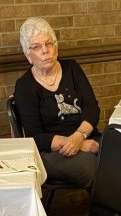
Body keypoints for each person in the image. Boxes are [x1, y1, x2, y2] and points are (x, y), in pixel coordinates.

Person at [14, 16, 100, 190]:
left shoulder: (72, 69)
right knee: (100, 171)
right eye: (36, 47)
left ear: (56, 47)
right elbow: (35, 136)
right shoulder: (24, 86)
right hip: (51, 152)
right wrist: (77, 144)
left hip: (87, 137)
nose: (45, 50)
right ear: (28, 55)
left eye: (49, 43)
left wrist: (79, 137)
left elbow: (92, 108)